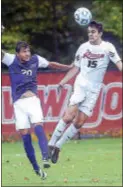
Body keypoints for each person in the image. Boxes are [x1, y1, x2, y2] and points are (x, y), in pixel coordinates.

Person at [48, 20, 122, 164]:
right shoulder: (83, 47)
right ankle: (51, 143)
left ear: (100, 33)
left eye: (93, 32)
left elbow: (119, 64)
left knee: (79, 122)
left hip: (94, 89)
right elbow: (75, 68)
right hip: (81, 84)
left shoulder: (108, 48)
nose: (90, 35)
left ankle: (58, 146)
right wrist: (63, 81)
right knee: (69, 116)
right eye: (89, 32)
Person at [2, 41, 73, 179]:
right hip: (18, 105)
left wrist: (68, 67)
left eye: (28, 51)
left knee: (38, 126)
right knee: (25, 136)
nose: (27, 54)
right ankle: (37, 169)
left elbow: (51, 64)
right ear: (18, 54)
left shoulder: (36, 60)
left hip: (33, 101)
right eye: (24, 51)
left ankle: (45, 157)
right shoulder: (11, 59)